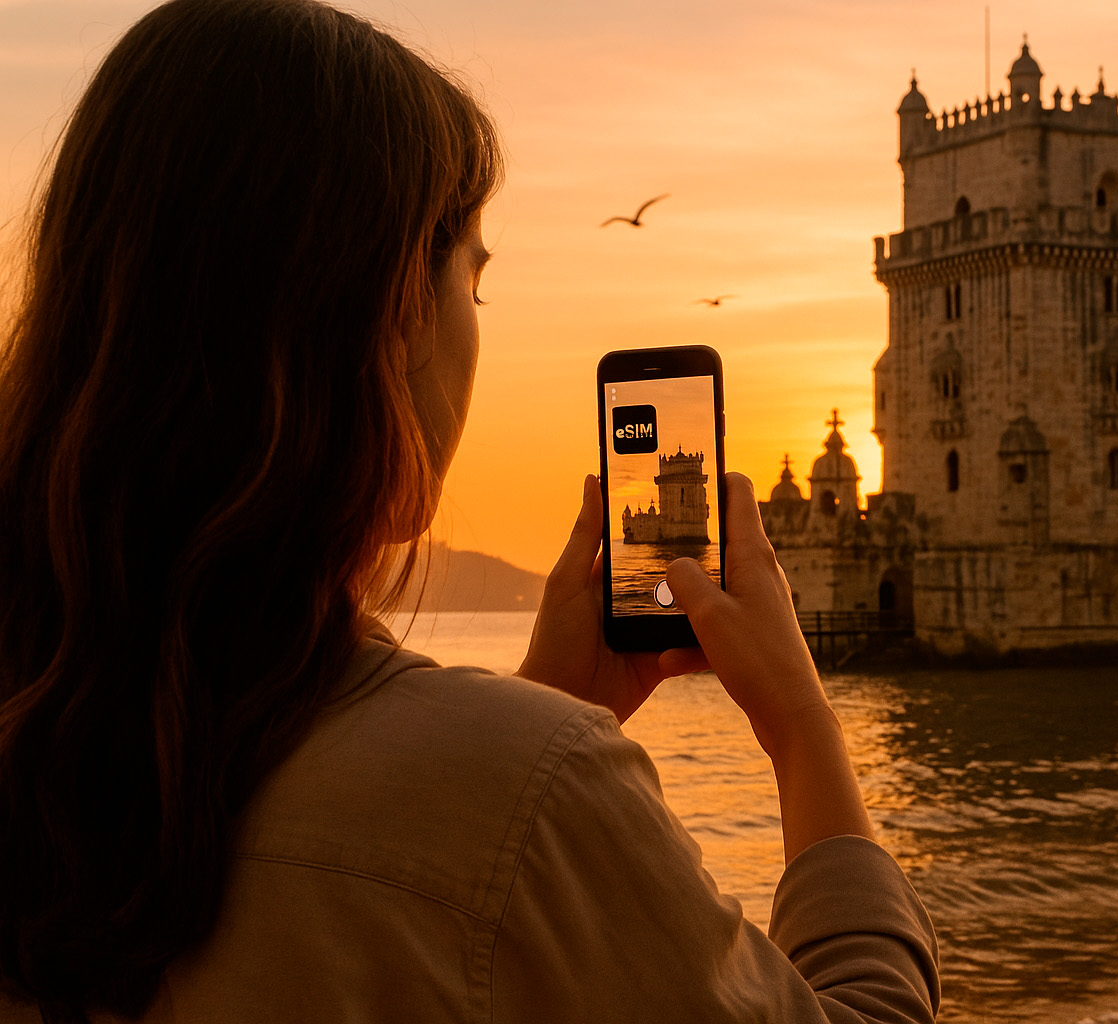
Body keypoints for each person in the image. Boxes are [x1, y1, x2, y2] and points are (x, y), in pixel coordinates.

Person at [0, 1, 940, 1021]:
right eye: (473, 282)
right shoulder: (527, 798)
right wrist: (803, 728)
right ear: (399, 305)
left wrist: (542, 705)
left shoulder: (46, 742)